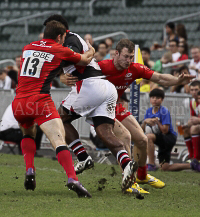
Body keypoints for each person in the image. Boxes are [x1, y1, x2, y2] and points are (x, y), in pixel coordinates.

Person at [62, 38, 195, 191]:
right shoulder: (102, 66)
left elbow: (159, 78)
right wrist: (64, 78)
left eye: (131, 57)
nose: (128, 60)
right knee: (125, 137)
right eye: (126, 56)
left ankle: (142, 175)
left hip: (116, 106)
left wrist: (178, 81)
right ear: (116, 54)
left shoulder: (134, 68)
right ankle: (130, 182)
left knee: (143, 140)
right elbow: (79, 74)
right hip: (100, 108)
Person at [44, 15, 138, 193]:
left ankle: (82, 156)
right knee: (105, 132)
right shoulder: (71, 40)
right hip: (105, 87)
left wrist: (61, 71)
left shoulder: (70, 39)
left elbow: (75, 58)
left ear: (61, 31)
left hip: (89, 86)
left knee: (58, 119)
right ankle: (127, 163)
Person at [12, 20, 95, 197]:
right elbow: (85, 59)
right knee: (58, 140)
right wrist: (91, 49)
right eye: (64, 37)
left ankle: (29, 170)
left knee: (28, 134)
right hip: (40, 101)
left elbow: (42, 66)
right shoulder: (60, 49)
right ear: (60, 36)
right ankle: (73, 178)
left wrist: (61, 75)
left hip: (19, 102)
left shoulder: (28, 47)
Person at [141, 88, 200, 172]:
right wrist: (145, 122)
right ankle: (191, 165)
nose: (155, 100)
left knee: (149, 137)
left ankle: (151, 164)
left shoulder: (164, 111)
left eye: (157, 98)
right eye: (153, 97)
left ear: (162, 100)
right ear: (150, 99)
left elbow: (165, 130)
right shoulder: (148, 111)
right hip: (160, 138)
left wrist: (157, 121)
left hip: (168, 138)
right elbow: (143, 129)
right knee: (165, 167)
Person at [183, 80, 200, 161]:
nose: (194, 92)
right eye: (192, 90)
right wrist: (189, 123)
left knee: (194, 128)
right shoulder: (192, 102)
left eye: (196, 90)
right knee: (184, 128)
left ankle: (197, 158)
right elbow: (193, 117)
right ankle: (191, 155)